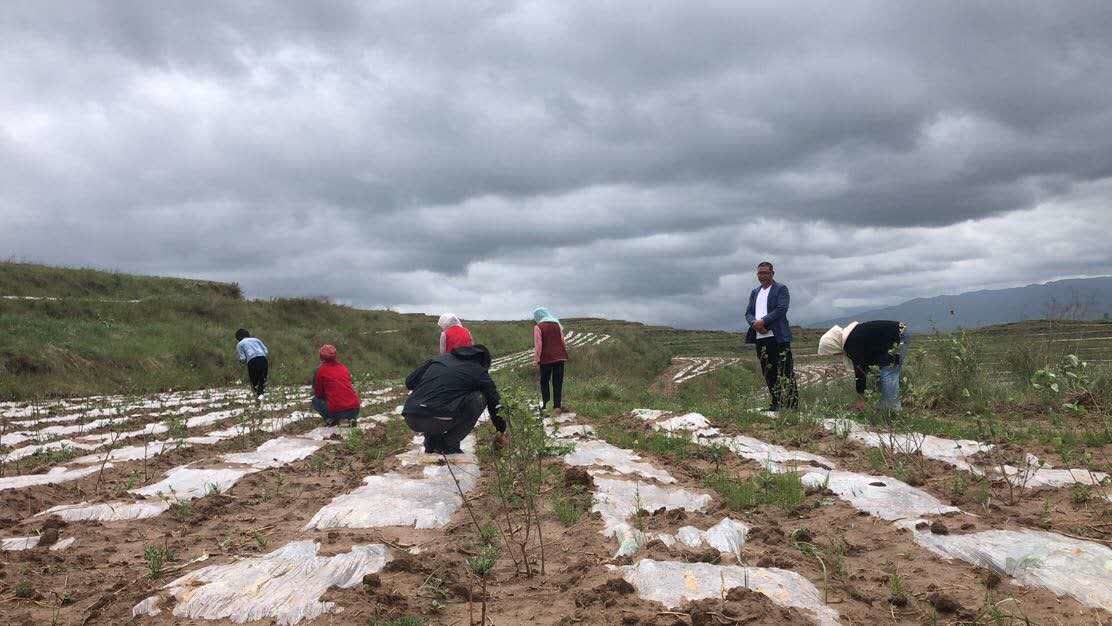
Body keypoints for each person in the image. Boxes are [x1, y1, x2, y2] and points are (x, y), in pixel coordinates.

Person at [403, 344, 505, 454]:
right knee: (479, 397)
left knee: (436, 401)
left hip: (412, 417)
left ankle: (432, 443)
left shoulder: (438, 359)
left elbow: (409, 382)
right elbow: (495, 403)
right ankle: (448, 443)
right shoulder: (478, 371)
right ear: (483, 362)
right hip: (438, 420)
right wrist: (501, 429)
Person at [818, 321, 909, 411]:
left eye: (833, 352)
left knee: (888, 371)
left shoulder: (851, 343)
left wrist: (861, 398)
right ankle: (883, 406)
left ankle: (893, 409)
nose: (836, 355)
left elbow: (860, 371)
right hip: (896, 334)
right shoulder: (852, 338)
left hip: (898, 336)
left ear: (833, 345)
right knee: (880, 372)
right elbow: (865, 365)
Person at [744, 262, 798, 411]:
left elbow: (781, 309)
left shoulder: (781, 289)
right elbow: (748, 313)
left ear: (772, 273)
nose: (762, 276)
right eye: (760, 273)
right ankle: (776, 403)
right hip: (760, 338)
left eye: (765, 273)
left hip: (778, 337)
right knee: (769, 371)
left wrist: (763, 322)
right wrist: (754, 323)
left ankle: (792, 405)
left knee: (785, 370)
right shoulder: (755, 292)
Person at [311, 344, 361, 426]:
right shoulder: (343, 368)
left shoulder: (320, 370)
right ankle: (351, 418)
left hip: (337, 410)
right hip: (355, 409)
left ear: (321, 357)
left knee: (316, 401)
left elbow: (319, 394)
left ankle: (331, 420)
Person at [532, 307, 568, 414]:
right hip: (560, 357)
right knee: (558, 382)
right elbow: (562, 341)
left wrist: (536, 359)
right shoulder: (557, 324)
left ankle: (546, 406)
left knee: (544, 382)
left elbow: (538, 346)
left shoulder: (538, 327)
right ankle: (557, 406)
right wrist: (561, 352)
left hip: (546, 358)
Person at [235, 329, 269, 401]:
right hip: (263, 359)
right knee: (262, 379)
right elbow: (266, 351)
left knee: (254, 381)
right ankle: (261, 395)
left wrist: (240, 362)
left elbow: (243, 358)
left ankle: (258, 397)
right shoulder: (256, 340)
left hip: (252, 362)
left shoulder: (240, 344)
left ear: (239, 337)